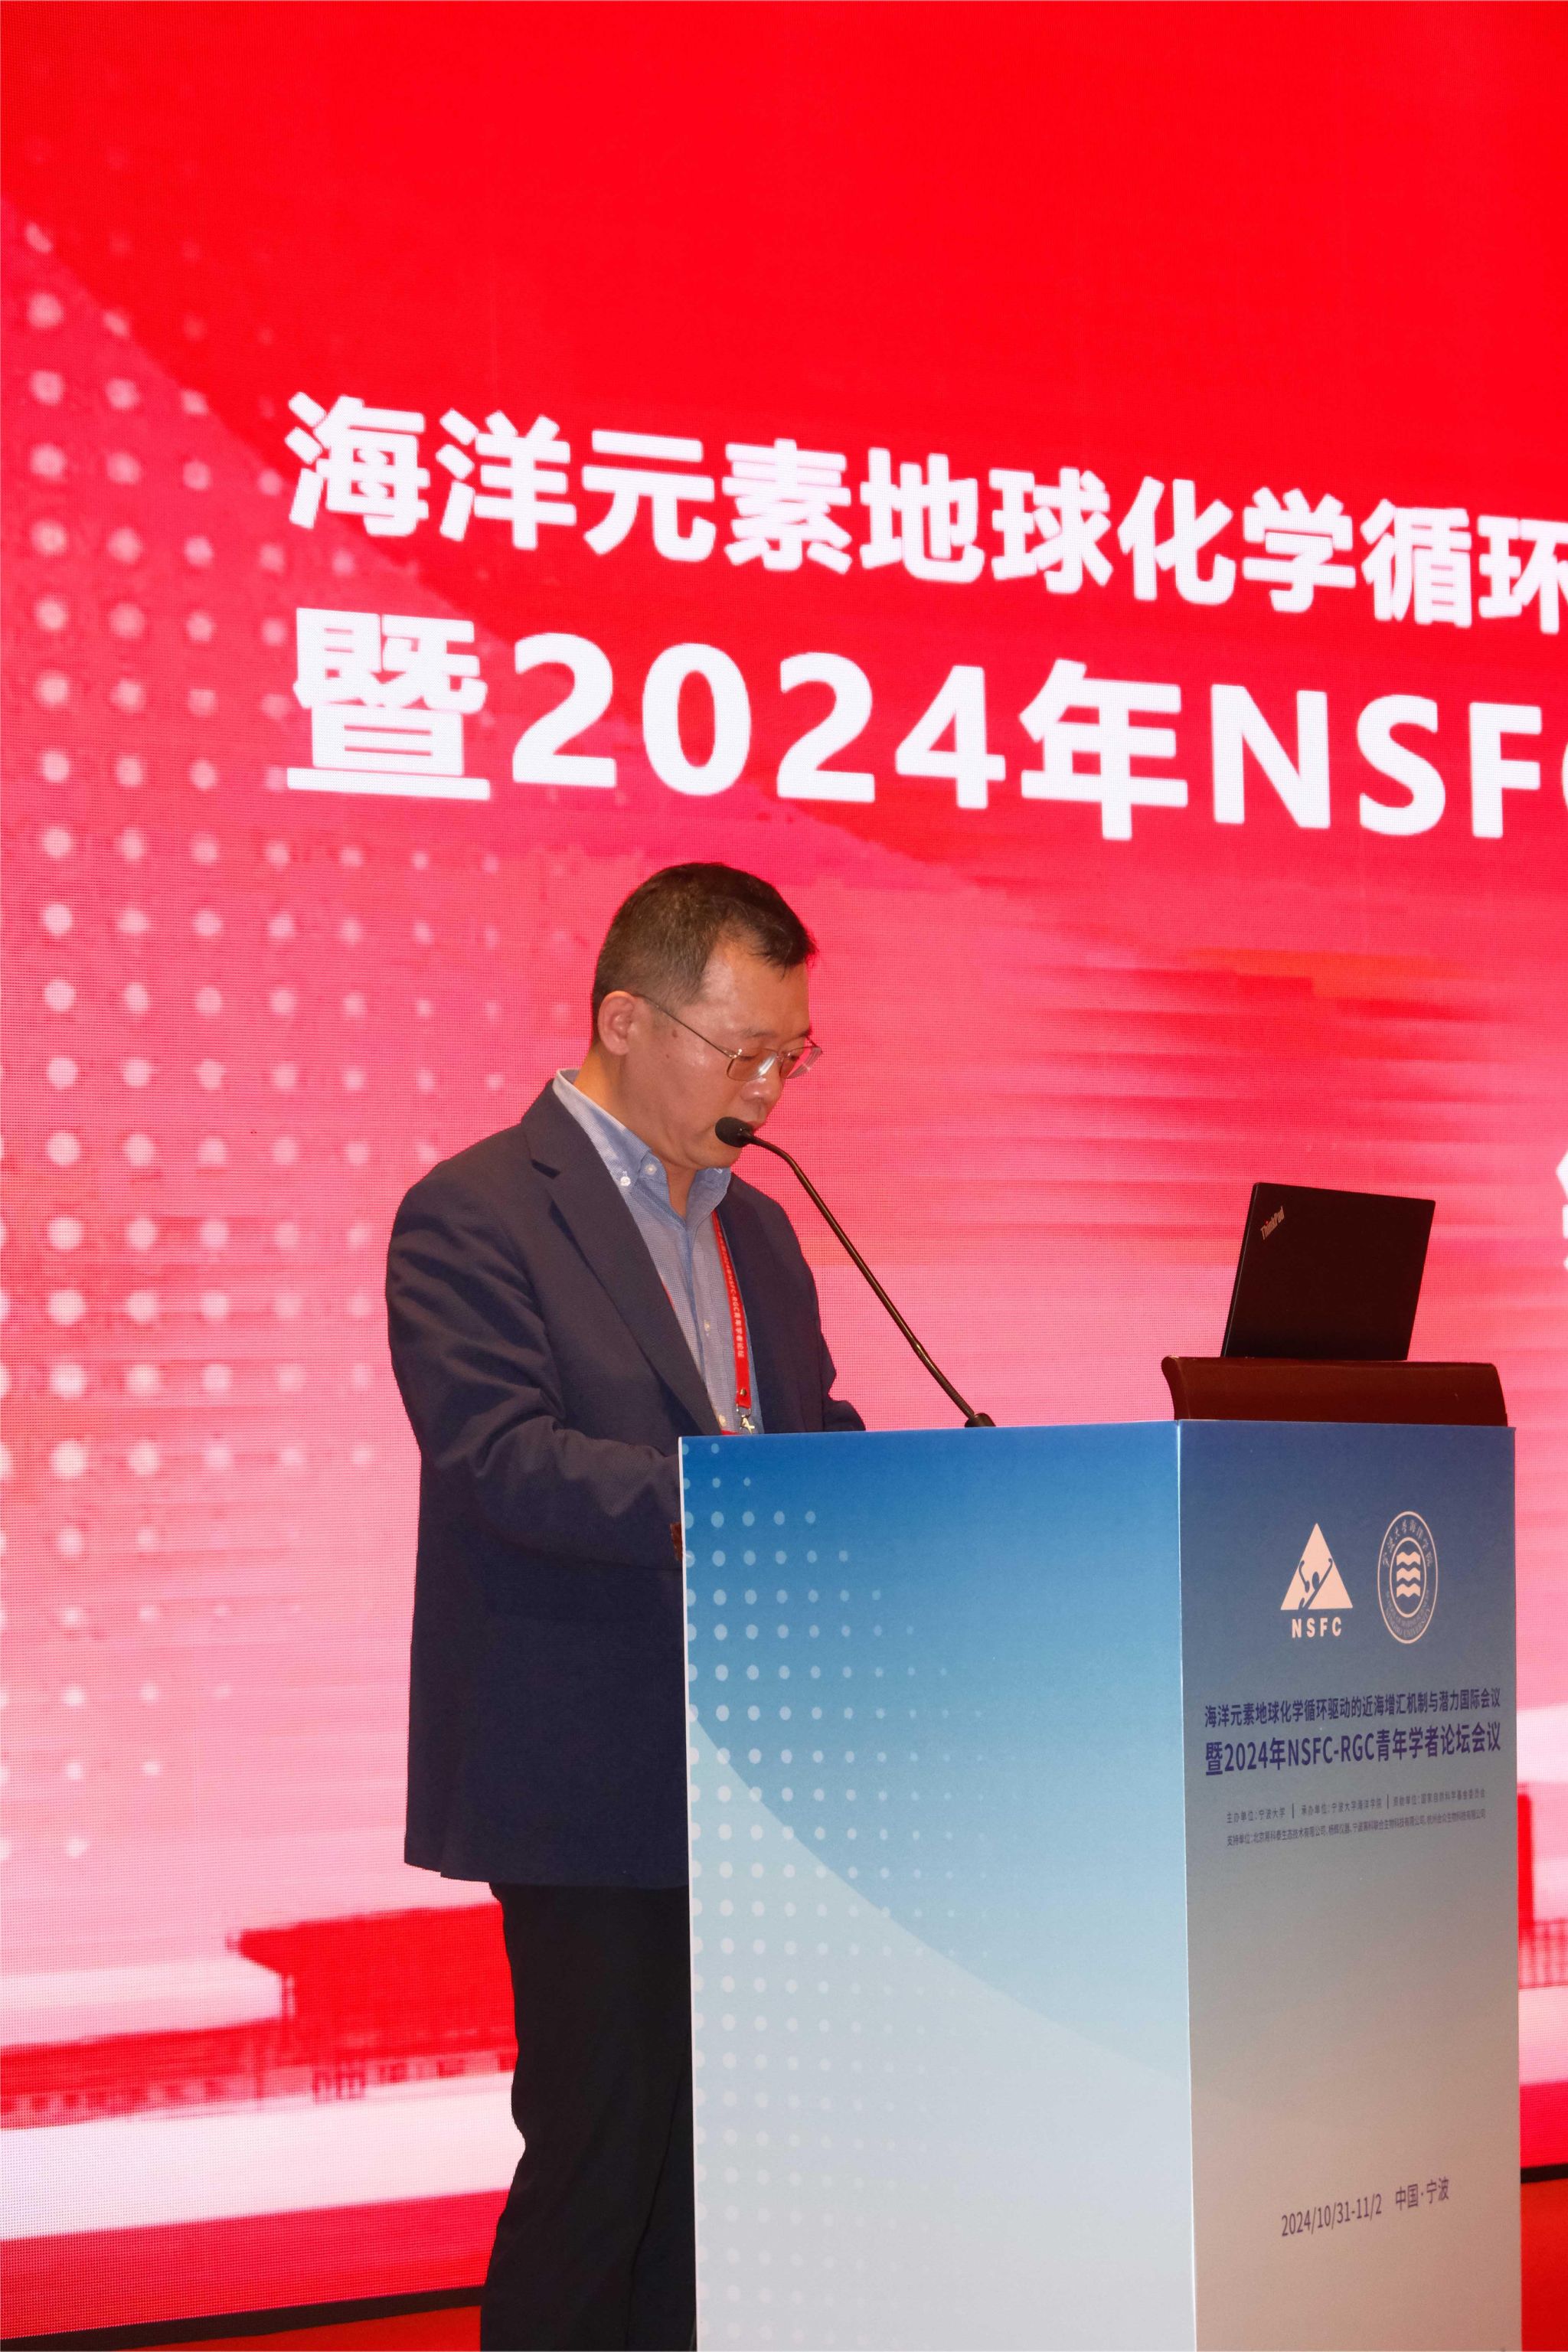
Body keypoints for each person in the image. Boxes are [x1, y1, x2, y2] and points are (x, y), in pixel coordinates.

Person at [385, 862, 864, 2350]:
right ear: (624, 1021)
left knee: (724, 2177)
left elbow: (807, 1429)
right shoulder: (475, 1212)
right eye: (744, 1052)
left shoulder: (759, 1230)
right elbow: (501, 1460)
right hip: (585, 1768)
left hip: (758, 1771)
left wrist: (891, 1492)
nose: (767, 1088)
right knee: (603, 2162)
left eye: (791, 1055)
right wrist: (738, 1503)